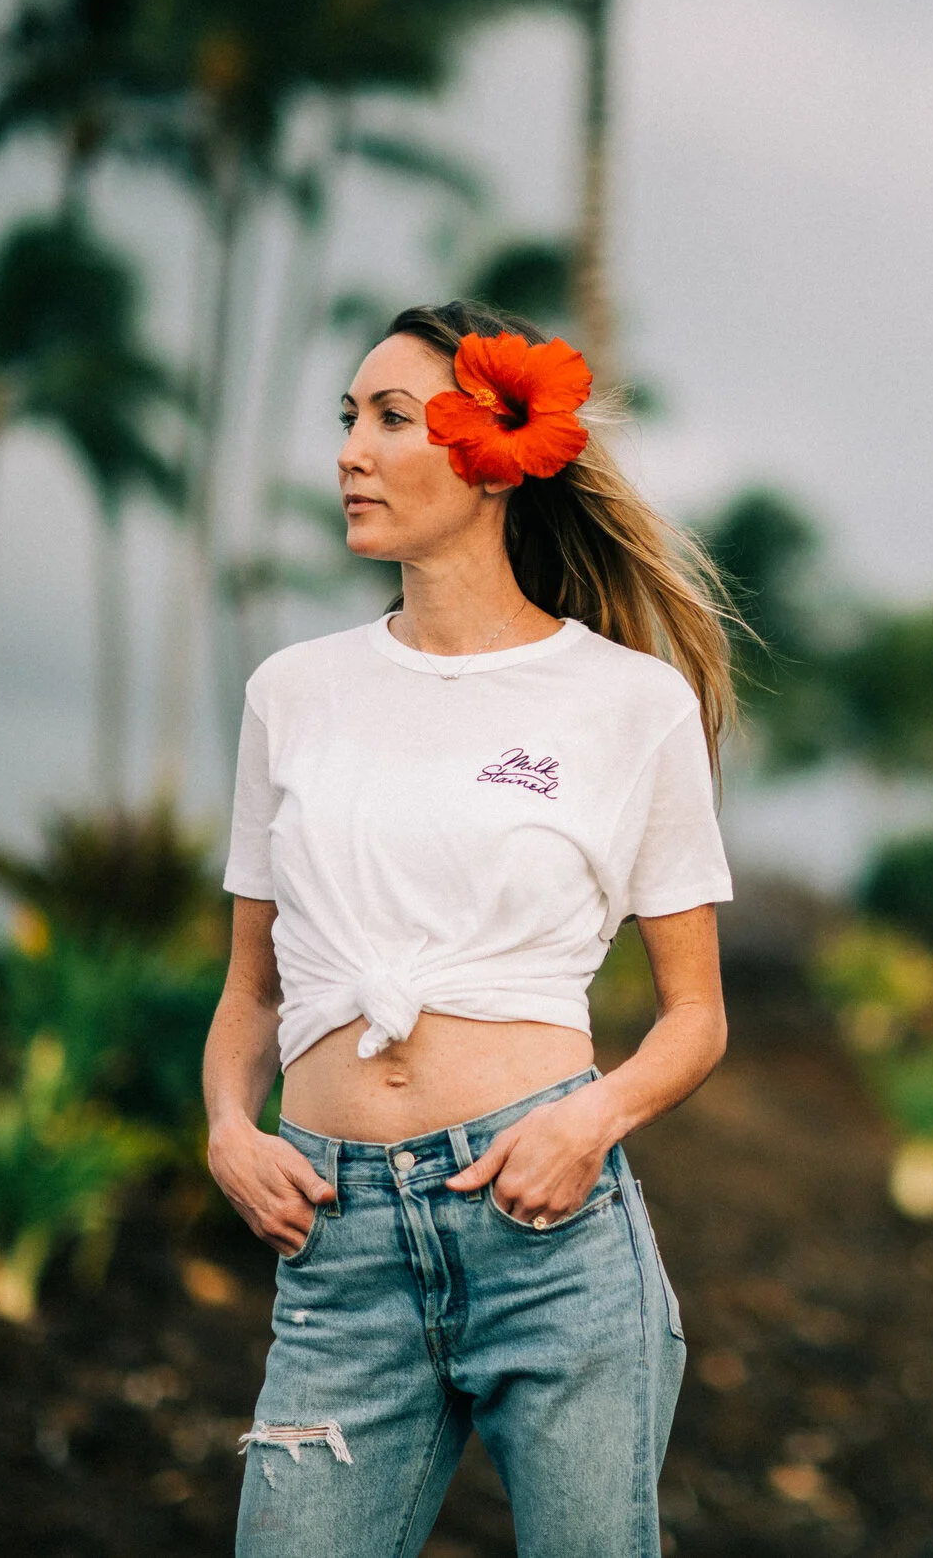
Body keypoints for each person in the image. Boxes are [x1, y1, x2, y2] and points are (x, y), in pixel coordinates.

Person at [202, 301, 735, 1557]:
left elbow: (696, 1015)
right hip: (335, 1247)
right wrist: (228, 1128)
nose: (351, 449)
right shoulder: (292, 692)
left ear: (495, 453)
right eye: (348, 417)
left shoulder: (630, 703)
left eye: (392, 417)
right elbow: (252, 991)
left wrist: (591, 1121)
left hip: (544, 1230)